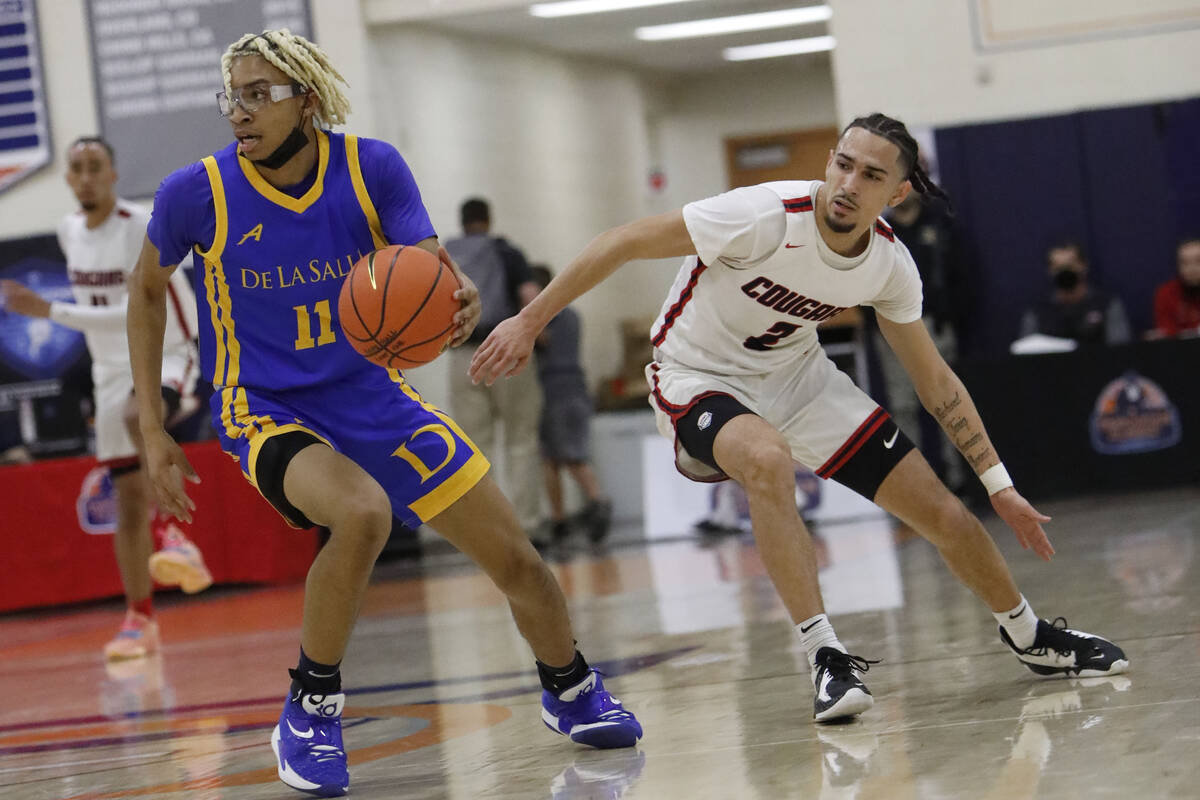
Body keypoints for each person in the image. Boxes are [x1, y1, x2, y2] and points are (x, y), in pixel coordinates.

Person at [470, 112, 1128, 724]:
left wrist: (997, 483)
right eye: (842, 163)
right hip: (697, 375)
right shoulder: (759, 215)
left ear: (896, 195)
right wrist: (530, 320)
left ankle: (1029, 635)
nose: (848, 183)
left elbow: (934, 380)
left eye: (871, 175)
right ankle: (825, 656)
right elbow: (623, 241)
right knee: (765, 457)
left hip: (799, 379)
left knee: (947, 515)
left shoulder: (889, 266)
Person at [125, 30, 641, 797]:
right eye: (232, 95)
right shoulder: (194, 192)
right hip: (264, 403)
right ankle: (310, 708)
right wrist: (154, 427)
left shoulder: (371, 168)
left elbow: (427, 268)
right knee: (362, 514)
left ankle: (568, 687)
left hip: (371, 391)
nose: (240, 111)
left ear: (306, 96)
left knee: (519, 559)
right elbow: (144, 290)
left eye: (259, 93)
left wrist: (457, 295)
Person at [0, 136, 211, 662]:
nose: (87, 175)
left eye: (97, 167)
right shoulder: (70, 230)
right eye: (78, 168)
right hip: (111, 369)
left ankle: (177, 538)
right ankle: (140, 617)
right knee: (127, 500)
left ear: (114, 174)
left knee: (140, 413)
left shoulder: (139, 225)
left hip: (168, 350)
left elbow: (140, 312)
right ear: (68, 179)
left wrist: (51, 313)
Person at [444, 199, 544, 542]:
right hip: (503, 352)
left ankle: (487, 533)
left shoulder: (446, 258)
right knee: (520, 440)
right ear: (488, 219)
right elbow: (530, 295)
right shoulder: (505, 252)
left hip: (462, 358)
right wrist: (539, 336)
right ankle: (525, 527)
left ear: (462, 221)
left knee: (474, 448)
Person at [876, 187, 974, 487]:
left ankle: (960, 480)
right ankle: (918, 486)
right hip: (891, 328)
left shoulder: (940, 227)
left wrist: (950, 315)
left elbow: (963, 277)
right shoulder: (878, 232)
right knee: (902, 406)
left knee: (947, 402)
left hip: (934, 324)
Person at [528, 265, 612, 544]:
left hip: (556, 390)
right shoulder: (572, 315)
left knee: (566, 458)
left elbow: (541, 339)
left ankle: (596, 501)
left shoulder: (544, 316)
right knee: (557, 457)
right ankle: (561, 519)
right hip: (576, 387)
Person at [1018, 240, 1131, 345]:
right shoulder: (1038, 311)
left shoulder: (1106, 304)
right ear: (1050, 271)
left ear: (1084, 266)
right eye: (1058, 267)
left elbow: (1120, 349)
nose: (1064, 272)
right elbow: (1026, 353)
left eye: (1070, 266)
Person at [1149, 236, 1200, 338]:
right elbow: (1167, 333)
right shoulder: (1165, 293)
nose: (1191, 269)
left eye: (1198, 261)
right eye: (1185, 263)